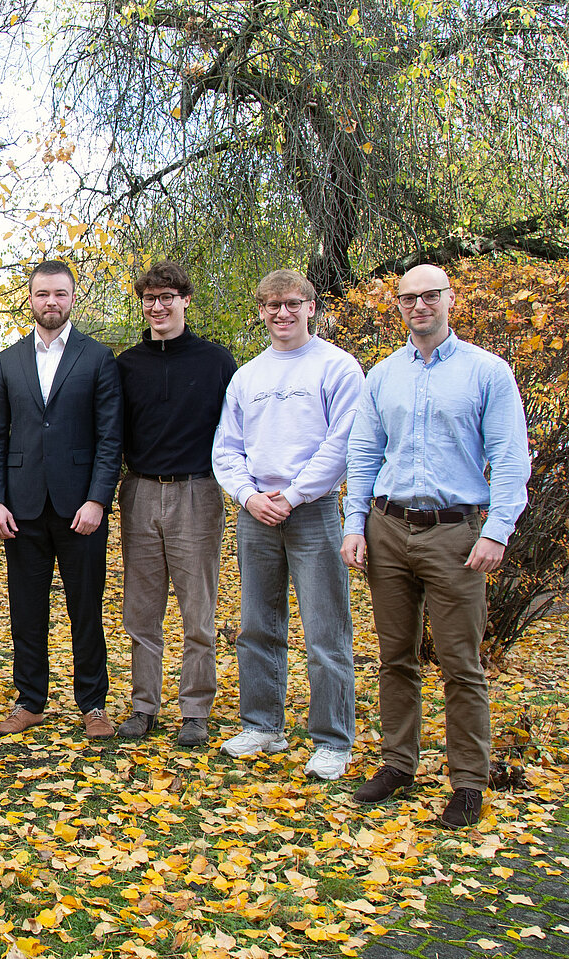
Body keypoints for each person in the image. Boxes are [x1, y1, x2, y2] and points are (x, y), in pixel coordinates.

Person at [342, 264, 530, 828]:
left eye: (430, 296)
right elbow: (364, 453)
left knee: (459, 663)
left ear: (450, 299)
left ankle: (468, 781)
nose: (418, 306)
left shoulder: (486, 372)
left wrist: (497, 530)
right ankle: (398, 764)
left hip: (456, 534)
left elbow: (511, 456)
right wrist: (355, 524)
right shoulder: (384, 375)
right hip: (388, 528)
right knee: (395, 657)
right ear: (398, 305)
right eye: (408, 298)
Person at [211, 268, 363, 780]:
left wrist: (294, 495)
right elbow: (227, 448)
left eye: (293, 303)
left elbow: (342, 443)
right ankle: (263, 726)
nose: (283, 313)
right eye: (273, 305)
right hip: (256, 513)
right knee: (257, 626)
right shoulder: (248, 377)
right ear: (261, 311)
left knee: (326, 630)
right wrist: (249, 496)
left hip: (313, 510)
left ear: (311, 307)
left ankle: (333, 740)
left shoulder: (337, 367)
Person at [0, 260, 123, 738]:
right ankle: (30, 701)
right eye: (43, 294)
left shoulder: (98, 357)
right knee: (26, 610)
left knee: (86, 608)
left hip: (80, 509)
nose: (51, 302)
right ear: (30, 299)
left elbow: (110, 440)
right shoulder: (8, 361)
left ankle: (93, 705)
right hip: (21, 509)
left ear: (72, 298)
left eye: (60, 293)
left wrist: (98, 500)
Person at [114, 262, 237, 747]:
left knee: (197, 610)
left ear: (185, 300)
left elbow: (237, 430)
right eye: (150, 298)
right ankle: (144, 705)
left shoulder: (216, 361)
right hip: (140, 491)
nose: (158, 306)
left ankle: (195, 710)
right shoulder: (126, 365)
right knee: (141, 612)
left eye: (167, 297)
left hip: (196, 492)